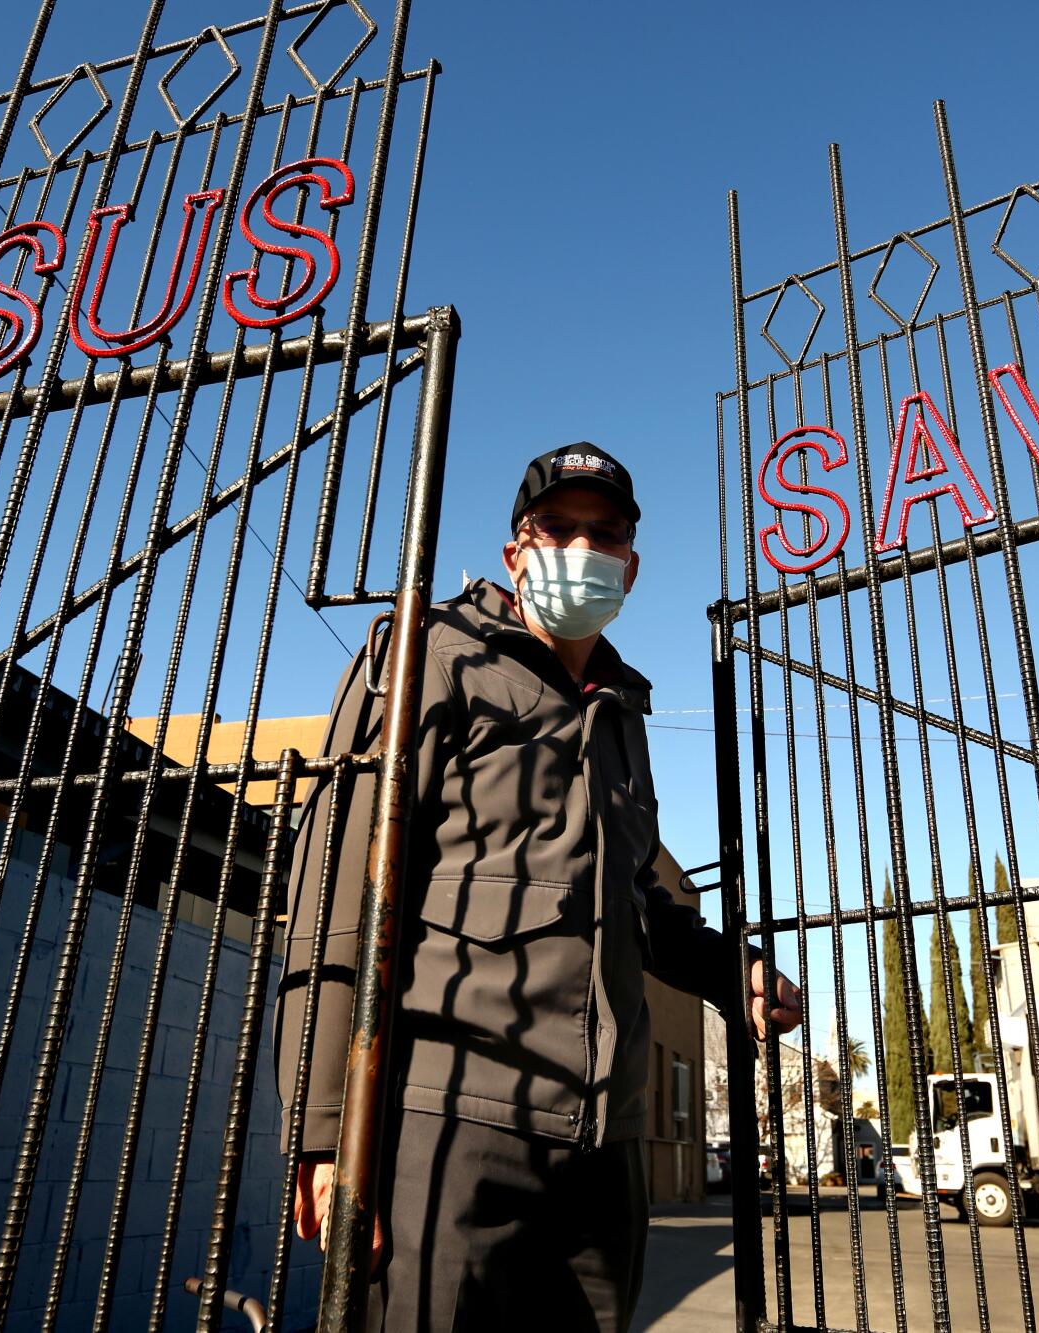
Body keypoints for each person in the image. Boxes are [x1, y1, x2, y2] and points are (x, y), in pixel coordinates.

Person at [275, 443, 802, 1332]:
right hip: (452, 1127)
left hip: (608, 1147)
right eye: (558, 528)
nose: (581, 549)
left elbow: (635, 900)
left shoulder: (623, 709)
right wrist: (327, 1133)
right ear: (517, 549)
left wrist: (730, 969)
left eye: (604, 534)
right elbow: (335, 886)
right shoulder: (433, 652)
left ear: (630, 565)